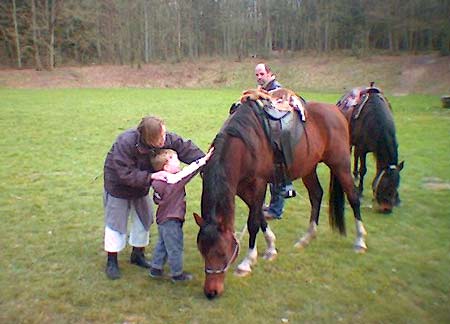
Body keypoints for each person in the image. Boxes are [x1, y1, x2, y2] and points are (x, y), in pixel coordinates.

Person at [103, 115, 205, 280]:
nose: (165, 139)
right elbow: (125, 173)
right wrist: (152, 177)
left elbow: (183, 147)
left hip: (141, 186)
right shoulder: (125, 143)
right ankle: (112, 261)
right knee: (116, 224)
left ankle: (138, 255)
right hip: (118, 187)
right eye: (161, 136)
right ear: (150, 138)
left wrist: (206, 161)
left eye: (164, 134)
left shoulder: (161, 139)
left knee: (143, 219)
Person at [148, 147, 214, 282]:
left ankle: (156, 268)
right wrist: (204, 160)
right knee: (175, 247)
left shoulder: (159, 182)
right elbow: (187, 173)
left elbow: (157, 199)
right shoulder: (173, 181)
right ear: (166, 167)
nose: (179, 163)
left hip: (162, 219)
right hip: (171, 220)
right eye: (176, 160)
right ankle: (177, 274)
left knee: (163, 244)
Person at [254, 63, 296, 220]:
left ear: (269, 73)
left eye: (261, 74)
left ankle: (276, 210)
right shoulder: (262, 89)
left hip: (278, 135)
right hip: (267, 134)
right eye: (257, 75)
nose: (259, 77)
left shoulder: (276, 89)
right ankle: (271, 206)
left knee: (277, 170)